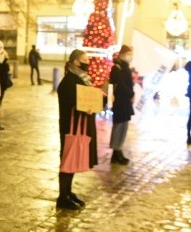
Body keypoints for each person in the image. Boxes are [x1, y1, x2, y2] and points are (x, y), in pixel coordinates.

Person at [56, 49, 98, 210]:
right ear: (76, 62)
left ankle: (68, 192)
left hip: (78, 126)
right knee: (67, 160)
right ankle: (62, 196)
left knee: (72, 160)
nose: (88, 62)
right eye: (85, 60)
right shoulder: (69, 81)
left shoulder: (81, 78)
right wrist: (84, 107)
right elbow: (71, 103)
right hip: (70, 128)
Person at [108, 45, 135, 165]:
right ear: (123, 54)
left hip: (125, 102)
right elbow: (121, 85)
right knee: (119, 126)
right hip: (120, 102)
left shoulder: (125, 67)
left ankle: (116, 153)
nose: (131, 57)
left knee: (123, 126)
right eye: (129, 54)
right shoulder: (117, 68)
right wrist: (131, 94)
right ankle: (117, 151)